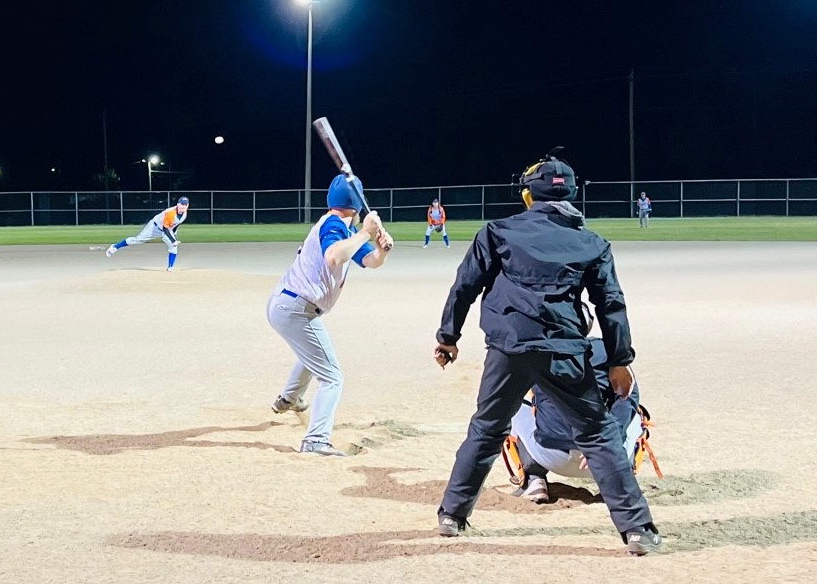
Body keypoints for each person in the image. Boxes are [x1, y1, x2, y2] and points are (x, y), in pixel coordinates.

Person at [432, 153, 662, 554]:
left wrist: (448, 336)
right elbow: (611, 304)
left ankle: (452, 515)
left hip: (509, 348)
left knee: (487, 428)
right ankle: (637, 530)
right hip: (564, 350)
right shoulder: (591, 242)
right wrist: (621, 360)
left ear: (527, 196)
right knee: (597, 434)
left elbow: (465, 285)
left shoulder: (499, 231)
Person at [267, 175, 392, 456]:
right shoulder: (335, 225)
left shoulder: (344, 231)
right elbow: (334, 257)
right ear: (355, 204)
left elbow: (369, 261)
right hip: (296, 309)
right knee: (332, 377)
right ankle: (316, 440)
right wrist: (366, 232)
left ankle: (289, 398)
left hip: (288, 306)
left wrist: (382, 251)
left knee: (312, 354)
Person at [501, 339, 658, 504]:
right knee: (635, 412)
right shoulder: (609, 351)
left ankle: (533, 480)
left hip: (553, 456)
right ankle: (620, 482)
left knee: (513, 407)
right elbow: (628, 399)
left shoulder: (539, 349)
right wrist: (603, 443)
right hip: (607, 458)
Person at [106, 196, 190, 269]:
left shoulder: (184, 214)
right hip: (154, 227)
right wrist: (173, 240)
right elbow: (165, 228)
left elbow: (176, 224)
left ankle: (170, 267)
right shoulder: (170, 213)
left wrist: (174, 235)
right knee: (137, 240)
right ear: (178, 204)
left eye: (185, 204)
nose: (184, 206)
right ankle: (115, 247)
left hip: (167, 230)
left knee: (174, 248)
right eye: (182, 204)